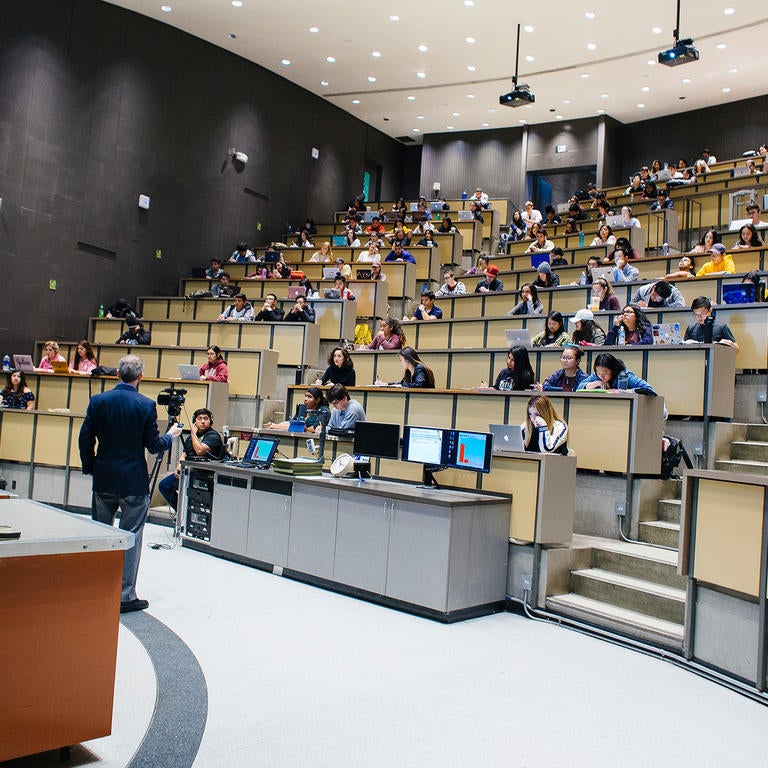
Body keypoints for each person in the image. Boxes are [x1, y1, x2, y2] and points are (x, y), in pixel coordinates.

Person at [79, 355, 183, 613]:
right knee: (131, 536)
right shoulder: (146, 405)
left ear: (117, 375)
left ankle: (98, 587)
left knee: (101, 534)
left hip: (104, 478)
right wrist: (171, 436)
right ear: (141, 377)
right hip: (133, 481)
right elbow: (154, 445)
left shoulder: (98, 401)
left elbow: (85, 438)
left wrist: (90, 466)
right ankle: (125, 595)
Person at [157, 408, 223, 512]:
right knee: (164, 486)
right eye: (199, 418)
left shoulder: (213, 436)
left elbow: (199, 450)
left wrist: (192, 433)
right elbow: (185, 453)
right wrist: (178, 467)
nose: (202, 421)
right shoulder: (191, 438)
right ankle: (181, 511)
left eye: (206, 419)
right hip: (188, 471)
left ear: (210, 421)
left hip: (205, 473)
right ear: (195, 421)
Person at [577, 352, 657, 395]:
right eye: (598, 372)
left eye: (605, 372)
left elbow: (649, 390)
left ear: (613, 369)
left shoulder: (624, 375)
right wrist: (594, 384)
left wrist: (621, 391)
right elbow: (578, 389)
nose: (602, 376)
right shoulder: (596, 376)